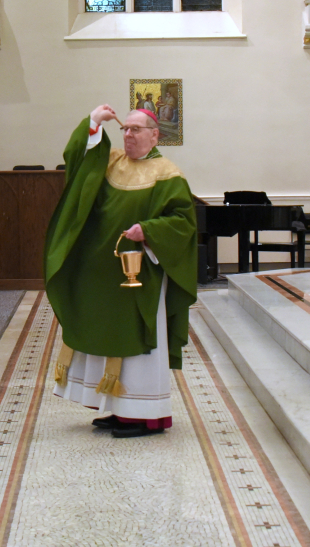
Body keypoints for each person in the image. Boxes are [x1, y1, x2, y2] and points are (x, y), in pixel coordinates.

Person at [43, 105, 197, 439]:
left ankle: (145, 415)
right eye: (125, 128)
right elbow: (78, 164)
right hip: (103, 275)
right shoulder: (111, 162)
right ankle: (118, 409)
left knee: (139, 343)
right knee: (106, 333)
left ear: (155, 135)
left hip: (141, 276)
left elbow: (184, 222)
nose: (128, 134)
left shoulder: (167, 174)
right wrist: (94, 123)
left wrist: (150, 230)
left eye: (136, 129)